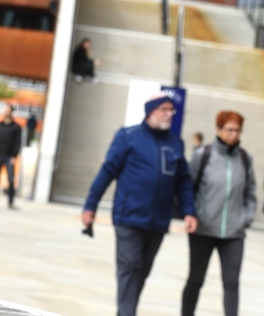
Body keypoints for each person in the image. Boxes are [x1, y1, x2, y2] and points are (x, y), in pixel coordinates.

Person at [82, 93, 197, 316]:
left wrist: (189, 212)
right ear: (150, 111)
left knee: (142, 272)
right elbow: (107, 172)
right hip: (129, 217)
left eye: (171, 110)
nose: (168, 114)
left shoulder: (176, 143)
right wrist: (90, 206)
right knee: (130, 267)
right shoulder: (128, 136)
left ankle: (125, 311)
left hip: (158, 221)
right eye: (163, 109)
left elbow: (183, 181)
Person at [182, 111, 256, 316]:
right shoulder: (202, 155)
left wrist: (246, 217)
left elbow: (250, 193)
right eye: (230, 129)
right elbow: (188, 188)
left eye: (238, 130)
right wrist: (193, 213)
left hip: (233, 233)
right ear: (218, 129)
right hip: (203, 229)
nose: (234, 134)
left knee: (231, 283)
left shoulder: (245, 158)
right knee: (196, 279)